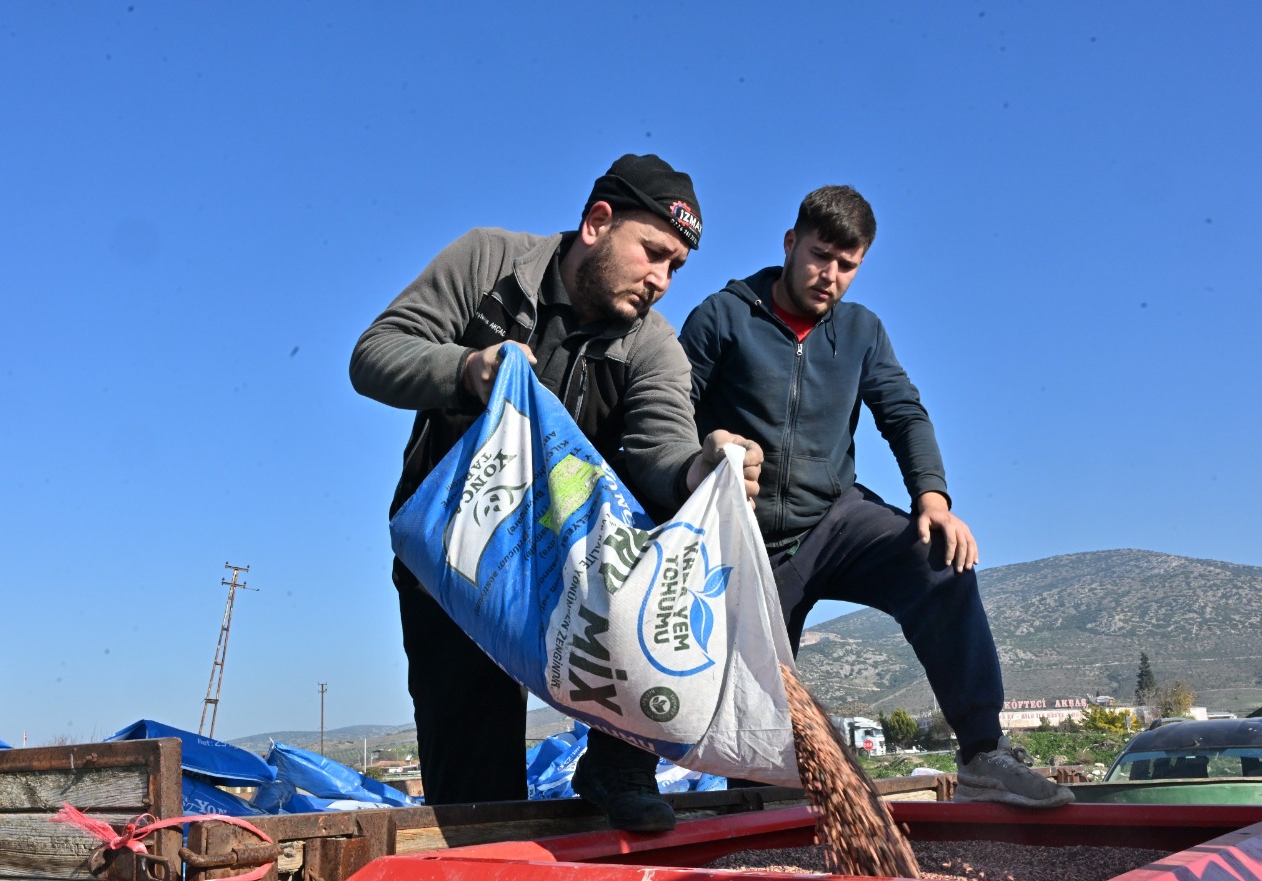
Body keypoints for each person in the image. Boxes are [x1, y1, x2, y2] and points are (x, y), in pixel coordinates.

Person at [351, 154, 762, 831]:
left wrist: (706, 468)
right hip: (457, 558)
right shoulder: (490, 265)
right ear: (597, 223)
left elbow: (662, 455)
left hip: (575, 573)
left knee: (683, 526)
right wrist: (467, 369)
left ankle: (619, 761)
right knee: (474, 779)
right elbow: (374, 354)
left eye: (675, 268)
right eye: (653, 254)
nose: (661, 281)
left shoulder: (651, 345)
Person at [679, 185, 1072, 807]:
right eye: (819, 256)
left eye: (847, 264)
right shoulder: (722, 316)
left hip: (835, 517)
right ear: (790, 243)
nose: (829, 276)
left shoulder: (862, 332)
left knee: (938, 559)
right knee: (754, 701)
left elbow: (903, 413)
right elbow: (670, 410)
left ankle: (982, 754)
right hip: (747, 537)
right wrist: (705, 448)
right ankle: (758, 816)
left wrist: (933, 498)